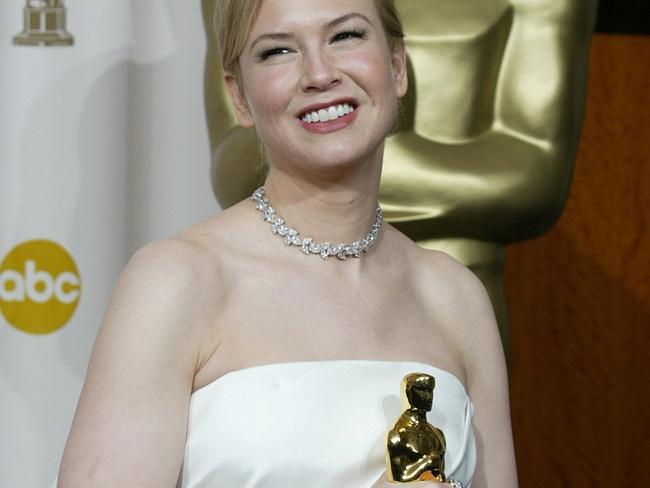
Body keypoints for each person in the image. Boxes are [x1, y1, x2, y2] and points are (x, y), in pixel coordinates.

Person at [57, 0, 517, 486]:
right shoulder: (177, 282)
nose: (319, 74)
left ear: (397, 66)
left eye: (345, 36)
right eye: (278, 50)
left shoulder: (456, 297)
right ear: (238, 97)